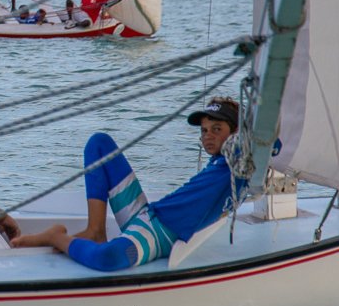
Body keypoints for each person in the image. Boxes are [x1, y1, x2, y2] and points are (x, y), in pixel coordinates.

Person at [55, 97, 240, 272]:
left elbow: (259, 142)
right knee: (99, 142)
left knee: (108, 257)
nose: (208, 136)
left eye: (216, 129)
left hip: (160, 233)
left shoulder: (237, 159)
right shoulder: (223, 160)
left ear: (235, 133)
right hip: (152, 225)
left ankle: (55, 237)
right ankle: (94, 231)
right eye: (204, 130)